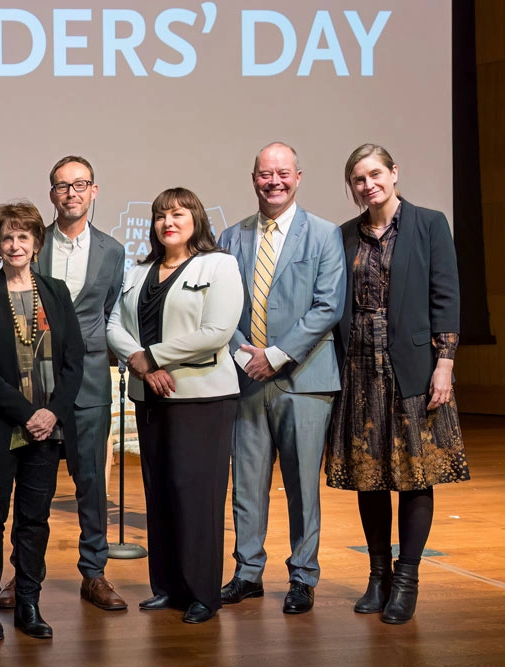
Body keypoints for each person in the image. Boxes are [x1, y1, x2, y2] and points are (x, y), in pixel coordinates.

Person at [326, 143, 469, 625]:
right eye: (359, 180)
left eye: (375, 174)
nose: (369, 185)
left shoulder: (429, 224)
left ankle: (406, 581)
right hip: (359, 368)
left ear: (394, 173)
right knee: (369, 475)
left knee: (414, 474)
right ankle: (377, 576)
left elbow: (445, 296)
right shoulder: (344, 235)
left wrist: (444, 363)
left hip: (413, 366)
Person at [218, 142, 346, 615]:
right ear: (254, 179)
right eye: (265, 174)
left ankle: (303, 576)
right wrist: (241, 353)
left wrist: (275, 355)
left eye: (283, 173)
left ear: (298, 176)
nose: (274, 181)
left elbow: (328, 306)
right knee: (246, 485)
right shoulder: (232, 237)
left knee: (301, 487)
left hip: (305, 381)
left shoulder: (325, 234)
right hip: (246, 380)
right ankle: (247, 573)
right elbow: (222, 306)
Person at [106, 187, 243, 624]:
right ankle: (167, 587)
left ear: (196, 219)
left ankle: (203, 592)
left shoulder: (219, 265)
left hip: (201, 397)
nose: (169, 221)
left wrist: (156, 356)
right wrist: (142, 364)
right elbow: (114, 325)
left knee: (197, 495)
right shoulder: (139, 270)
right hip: (151, 395)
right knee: (160, 492)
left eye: (178, 213)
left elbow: (218, 330)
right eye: (161, 215)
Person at [0, 156, 127, 611]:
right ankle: (22, 574)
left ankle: (94, 573)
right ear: (51, 194)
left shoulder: (113, 251)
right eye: (62, 186)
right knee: (33, 484)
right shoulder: (34, 245)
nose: (71, 193)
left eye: (80, 184)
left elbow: (110, 312)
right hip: (36, 381)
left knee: (91, 481)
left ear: (94, 191)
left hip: (90, 382)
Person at [0, 201, 84, 642]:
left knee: (35, 519)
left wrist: (52, 413)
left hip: (47, 431)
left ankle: (29, 602)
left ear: (36, 244)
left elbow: (74, 361)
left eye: (23, 237)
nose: (15, 244)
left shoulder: (56, 292)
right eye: (7, 237)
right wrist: (27, 413)